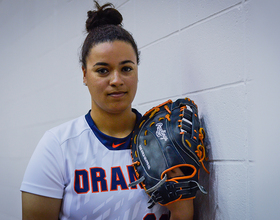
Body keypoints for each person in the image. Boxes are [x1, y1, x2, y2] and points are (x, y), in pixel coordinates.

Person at [20, 2, 194, 220]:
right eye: (102, 70)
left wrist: (183, 207)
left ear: (137, 71)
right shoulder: (57, 146)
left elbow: (183, 214)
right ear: (84, 74)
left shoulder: (167, 141)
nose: (116, 80)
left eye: (126, 68)